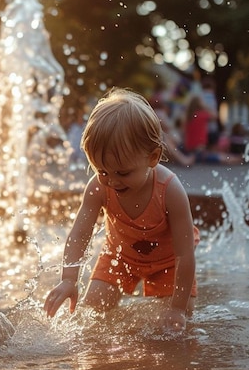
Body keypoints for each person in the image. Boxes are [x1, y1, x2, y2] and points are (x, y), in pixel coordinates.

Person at [43, 88, 199, 332]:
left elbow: (185, 255)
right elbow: (79, 234)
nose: (112, 181)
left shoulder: (170, 191)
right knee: (93, 310)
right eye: (102, 171)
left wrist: (177, 308)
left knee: (176, 324)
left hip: (168, 263)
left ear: (153, 157)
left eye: (123, 173)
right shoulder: (98, 188)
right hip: (119, 257)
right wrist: (68, 279)